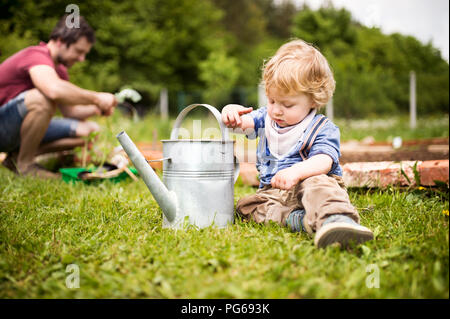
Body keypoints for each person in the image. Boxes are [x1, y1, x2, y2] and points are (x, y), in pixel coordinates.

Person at [221, 39, 374, 248]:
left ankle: (336, 219)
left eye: (287, 104)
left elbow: (323, 161)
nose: (276, 110)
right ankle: (297, 218)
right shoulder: (266, 117)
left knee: (319, 183)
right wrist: (230, 112)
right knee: (246, 206)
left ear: (313, 100)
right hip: (274, 193)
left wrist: (296, 172)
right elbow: (240, 124)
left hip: (310, 185)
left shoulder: (321, 128)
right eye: (272, 100)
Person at [0, 15, 117, 178]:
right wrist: (97, 98)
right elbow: (53, 90)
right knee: (42, 99)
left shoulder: (59, 71)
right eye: (79, 51)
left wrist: (98, 108)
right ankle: (25, 165)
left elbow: (71, 112)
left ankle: (15, 158)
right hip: (3, 125)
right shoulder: (36, 55)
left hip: (16, 128)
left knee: (90, 130)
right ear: (61, 41)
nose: (82, 59)